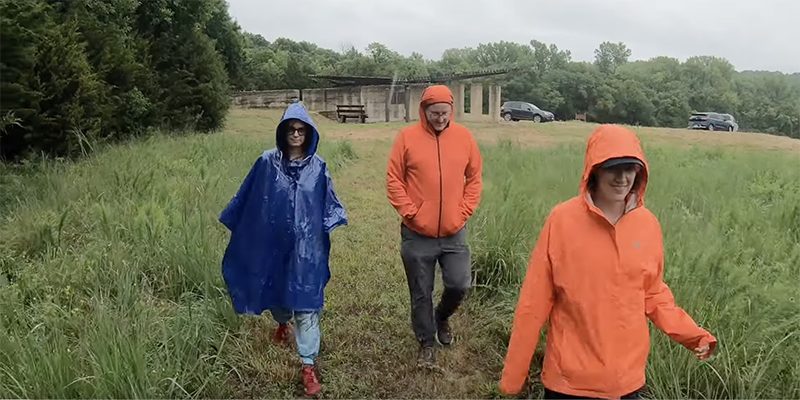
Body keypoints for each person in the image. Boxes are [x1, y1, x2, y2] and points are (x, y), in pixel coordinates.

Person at [498, 125, 717, 399]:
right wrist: (513, 376)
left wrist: (694, 336)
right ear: (594, 169)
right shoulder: (562, 221)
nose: (622, 177)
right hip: (569, 383)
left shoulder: (647, 225)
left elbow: (654, 295)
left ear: (640, 171)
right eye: (613, 168)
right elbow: (534, 302)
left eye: (630, 168)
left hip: (626, 383)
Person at [219, 101, 347, 396]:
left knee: (306, 303)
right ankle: (281, 324)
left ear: (309, 133)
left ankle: (308, 364)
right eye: (291, 129)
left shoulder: (319, 167)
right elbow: (247, 196)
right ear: (282, 131)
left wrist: (330, 222)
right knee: (277, 296)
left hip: (307, 251)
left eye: (302, 130)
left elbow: (329, 202)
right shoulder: (266, 163)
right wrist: (239, 223)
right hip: (273, 246)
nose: (296, 134)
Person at [386, 84, 483, 368]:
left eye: (445, 112)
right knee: (420, 291)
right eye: (434, 113)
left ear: (452, 110)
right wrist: (411, 212)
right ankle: (426, 343)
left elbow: (475, 178)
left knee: (459, 283)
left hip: (454, 232)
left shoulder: (464, 137)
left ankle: (442, 317)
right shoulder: (406, 138)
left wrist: (463, 211)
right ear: (424, 111)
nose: (440, 118)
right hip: (417, 233)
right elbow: (394, 179)